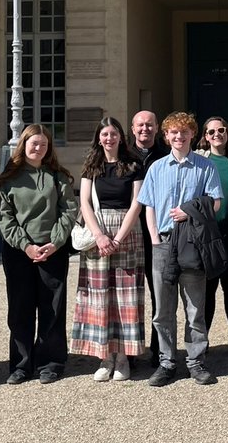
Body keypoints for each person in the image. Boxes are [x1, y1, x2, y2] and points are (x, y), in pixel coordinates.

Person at [137, 112, 222, 387]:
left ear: (191, 135)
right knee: (163, 309)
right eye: (173, 132)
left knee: (195, 308)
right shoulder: (156, 168)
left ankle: (196, 361)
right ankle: (166, 362)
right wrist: (153, 239)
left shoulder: (205, 167)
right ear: (167, 136)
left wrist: (190, 212)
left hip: (193, 242)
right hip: (162, 241)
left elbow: (217, 202)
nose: (179, 136)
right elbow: (147, 205)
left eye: (184, 132)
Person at [0, 124, 79, 385]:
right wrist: (26, 245)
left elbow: (68, 211)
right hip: (20, 252)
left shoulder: (58, 177)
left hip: (52, 250)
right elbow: (5, 218)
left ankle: (50, 362)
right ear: (24, 145)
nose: (38, 148)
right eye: (34, 143)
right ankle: (21, 364)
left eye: (43, 144)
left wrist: (54, 242)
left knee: (52, 309)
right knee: (20, 309)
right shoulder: (8, 179)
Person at [71, 117, 146, 382]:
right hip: (98, 233)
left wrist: (119, 237)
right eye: (104, 134)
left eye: (113, 134)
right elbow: (84, 203)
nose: (109, 138)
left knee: (126, 300)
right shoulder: (92, 166)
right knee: (99, 298)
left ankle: (124, 357)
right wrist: (101, 236)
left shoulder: (134, 166)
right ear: (98, 138)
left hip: (127, 233)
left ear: (121, 138)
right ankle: (105, 356)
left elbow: (137, 203)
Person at [195, 116, 228, 357]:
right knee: (208, 290)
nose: (217, 134)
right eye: (212, 131)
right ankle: (203, 339)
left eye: (221, 130)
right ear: (205, 136)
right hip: (208, 236)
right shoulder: (200, 162)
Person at [130, 110, 168, 365]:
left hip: (157, 233)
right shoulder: (124, 155)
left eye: (150, 125)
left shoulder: (166, 154)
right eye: (140, 125)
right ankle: (130, 350)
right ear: (133, 129)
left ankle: (158, 349)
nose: (145, 129)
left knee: (159, 294)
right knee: (129, 294)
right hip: (130, 233)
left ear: (157, 128)